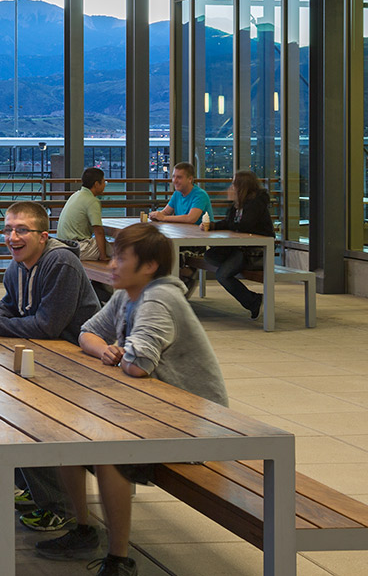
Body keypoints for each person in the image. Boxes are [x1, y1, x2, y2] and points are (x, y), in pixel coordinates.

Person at [34, 223, 227, 575]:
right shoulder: (128, 293)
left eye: (121, 257)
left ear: (149, 265)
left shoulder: (159, 298)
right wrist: (108, 350)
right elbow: (87, 333)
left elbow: (139, 365)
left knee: (110, 452)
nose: (112, 263)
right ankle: (83, 529)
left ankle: (119, 559)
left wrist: (123, 356)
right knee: (66, 429)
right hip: (156, 409)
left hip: (195, 422)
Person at [0, 200, 100, 533]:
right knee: (5, 411)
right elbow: (11, 307)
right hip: (48, 361)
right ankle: (38, 489)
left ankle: (57, 505)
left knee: (30, 421)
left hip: (81, 367)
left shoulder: (60, 262)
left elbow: (46, 326)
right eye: (7, 229)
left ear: (44, 236)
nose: (12, 237)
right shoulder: (15, 268)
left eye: (21, 230)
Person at [200, 170, 274, 319]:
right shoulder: (237, 204)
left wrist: (229, 225)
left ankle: (252, 300)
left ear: (242, 186)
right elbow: (230, 223)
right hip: (241, 248)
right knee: (209, 256)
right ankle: (248, 292)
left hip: (255, 251)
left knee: (223, 275)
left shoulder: (256, 203)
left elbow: (245, 225)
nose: (231, 187)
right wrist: (213, 226)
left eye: (234, 184)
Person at [147, 162, 215, 288]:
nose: (175, 181)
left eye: (179, 177)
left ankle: (180, 282)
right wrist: (156, 215)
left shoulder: (200, 195)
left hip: (197, 242)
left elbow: (191, 218)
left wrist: (164, 217)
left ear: (190, 179)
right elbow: (165, 212)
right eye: (173, 177)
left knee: (166, 252)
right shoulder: (177, 194)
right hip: (180, 239)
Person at [58, 168, 110, 261]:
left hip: (63, 245)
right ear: (96, 184)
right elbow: (98, 231)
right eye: (103, 182)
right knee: (116, 249)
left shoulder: (76, 195)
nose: (104, 185)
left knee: (108, 245)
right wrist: (103, 256)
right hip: (77, 248)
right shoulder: (92, 201)